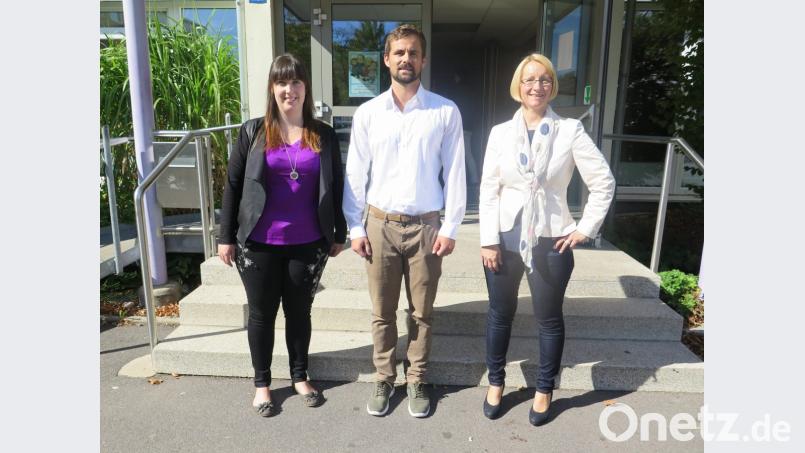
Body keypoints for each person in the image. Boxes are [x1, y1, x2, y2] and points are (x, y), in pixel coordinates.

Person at [478, 53, 615, 425]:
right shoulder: (500, 133)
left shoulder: (569, 131)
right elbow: (489, 188)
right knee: (499, 314)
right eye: (529, 80)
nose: (537, 86)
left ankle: (543, 389)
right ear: (518, 88)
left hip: (552, 238)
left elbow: (603, 182)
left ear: (552, 86)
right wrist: (488, 239)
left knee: (548, 318)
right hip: (504, 235)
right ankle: (495, 383)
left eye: (544, 80)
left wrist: (585, 227)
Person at [343, 24, 466, 418]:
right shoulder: (368, 113)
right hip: (379, 224)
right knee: (382, 311)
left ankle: (417, 379)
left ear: (423, 60)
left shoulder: (444, 111)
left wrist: (450, 227)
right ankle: (384, 377)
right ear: (386, 59)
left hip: (426, 226)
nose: (406, 59)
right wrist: (355, 226)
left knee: (422, 312)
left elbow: (457, 172)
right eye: (399, 53)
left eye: (413, 53)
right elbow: (355, 174)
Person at [217, 54, 347, 417]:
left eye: (296, 82)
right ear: (272, 89)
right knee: (261, 314)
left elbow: (335, 186)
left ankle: (299, 376)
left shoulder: (323, 134)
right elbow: (232, 185)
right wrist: (225, 235)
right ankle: (262, 385)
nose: (289, 90)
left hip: (308, 243)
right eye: (281, 82)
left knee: (300, 312)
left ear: (306, 87)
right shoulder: (253, 131)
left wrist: (339, 230)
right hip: (258, 243)